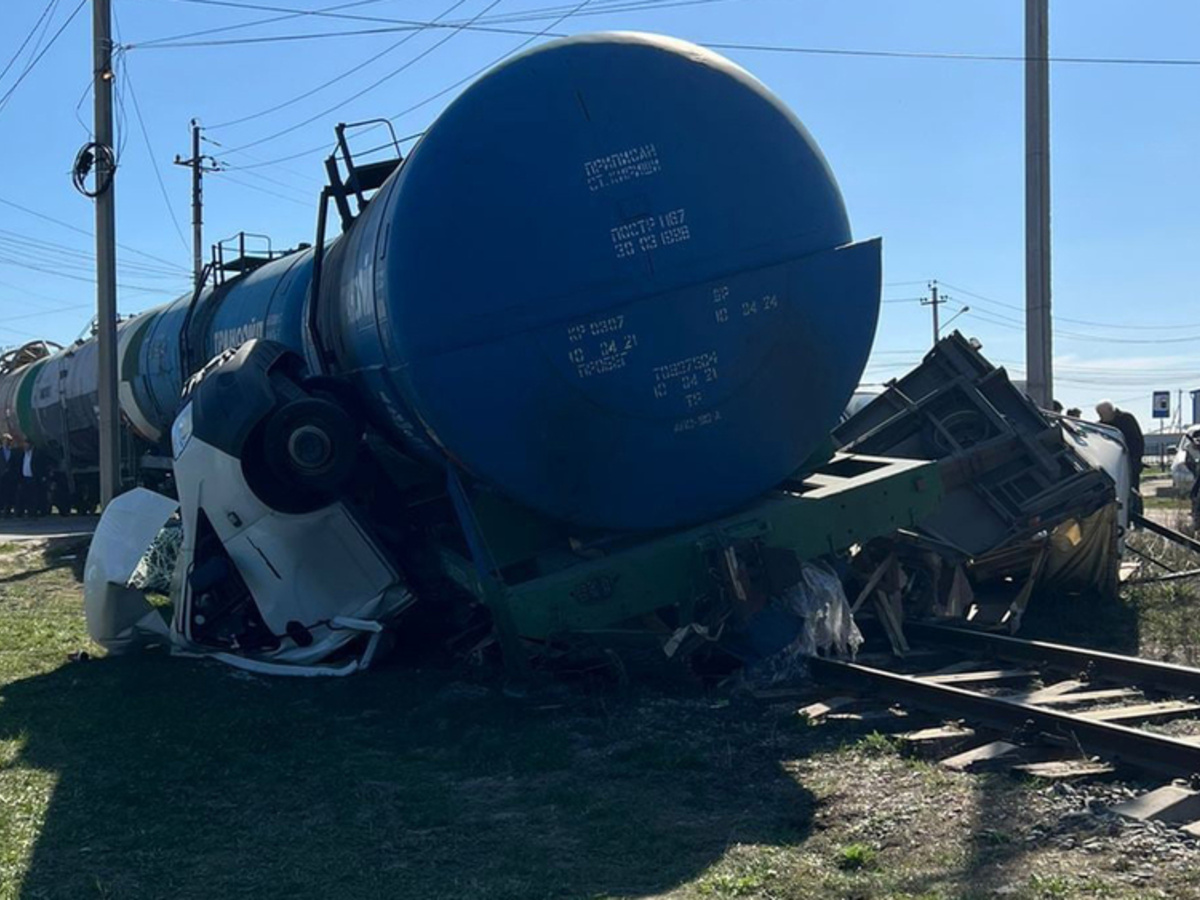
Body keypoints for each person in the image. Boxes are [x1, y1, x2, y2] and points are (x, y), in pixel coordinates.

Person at [1096, 399, 1146, 491]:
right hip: (1112, 464)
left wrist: (1136, 459)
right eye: (1099, 415)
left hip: (1130, 460)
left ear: (1111, 411)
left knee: (1132, 489)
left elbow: (1137, 440)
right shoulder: (1101, 425)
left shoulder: (1126, 419)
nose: (1101, 417)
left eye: (1103, 414)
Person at [15, 438, 50, 518]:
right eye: (24, 444)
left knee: (34, 496)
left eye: (26, 444)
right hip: (24, 478)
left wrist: (43, 476)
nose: (25, 446)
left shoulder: (37, 453)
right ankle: (22, 512)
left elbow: (42, 466)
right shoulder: (22, 454)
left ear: (31, 445)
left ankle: (33, 512)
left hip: (34, 478)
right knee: (23, 496)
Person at [0, 434, 16, 517]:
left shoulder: (14, 452)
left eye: (9, 441)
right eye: (5, 440)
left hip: (10, 477)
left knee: (9, 493)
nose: (6, 442)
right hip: (1, 476)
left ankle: (8, 509)